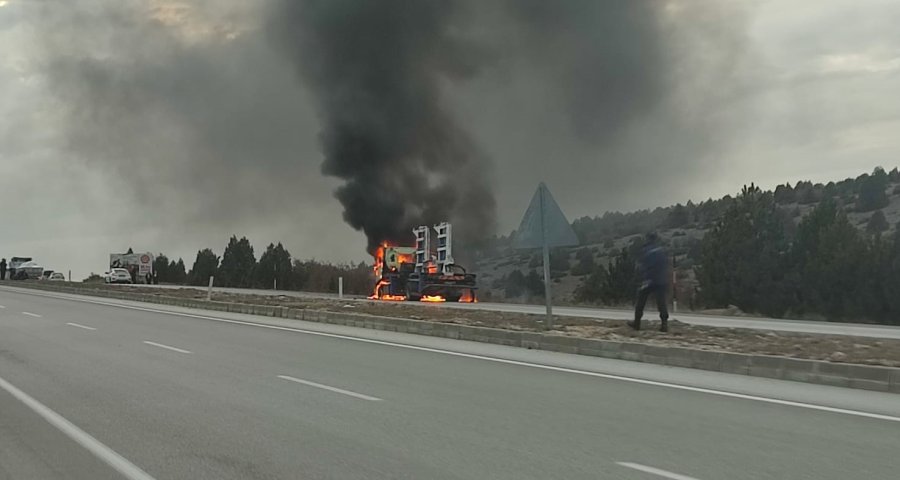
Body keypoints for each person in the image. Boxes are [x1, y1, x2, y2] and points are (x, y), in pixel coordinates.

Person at [628, 232, 670, 332]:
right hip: (661, 280)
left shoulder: (647, 250)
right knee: (661, 303)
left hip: (650, 280)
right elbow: (665, 264)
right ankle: (664, 325)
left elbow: (645, 266)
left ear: (647, 239)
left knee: (641, 300)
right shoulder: (661, 250)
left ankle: (636, 323)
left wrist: (645, 279)